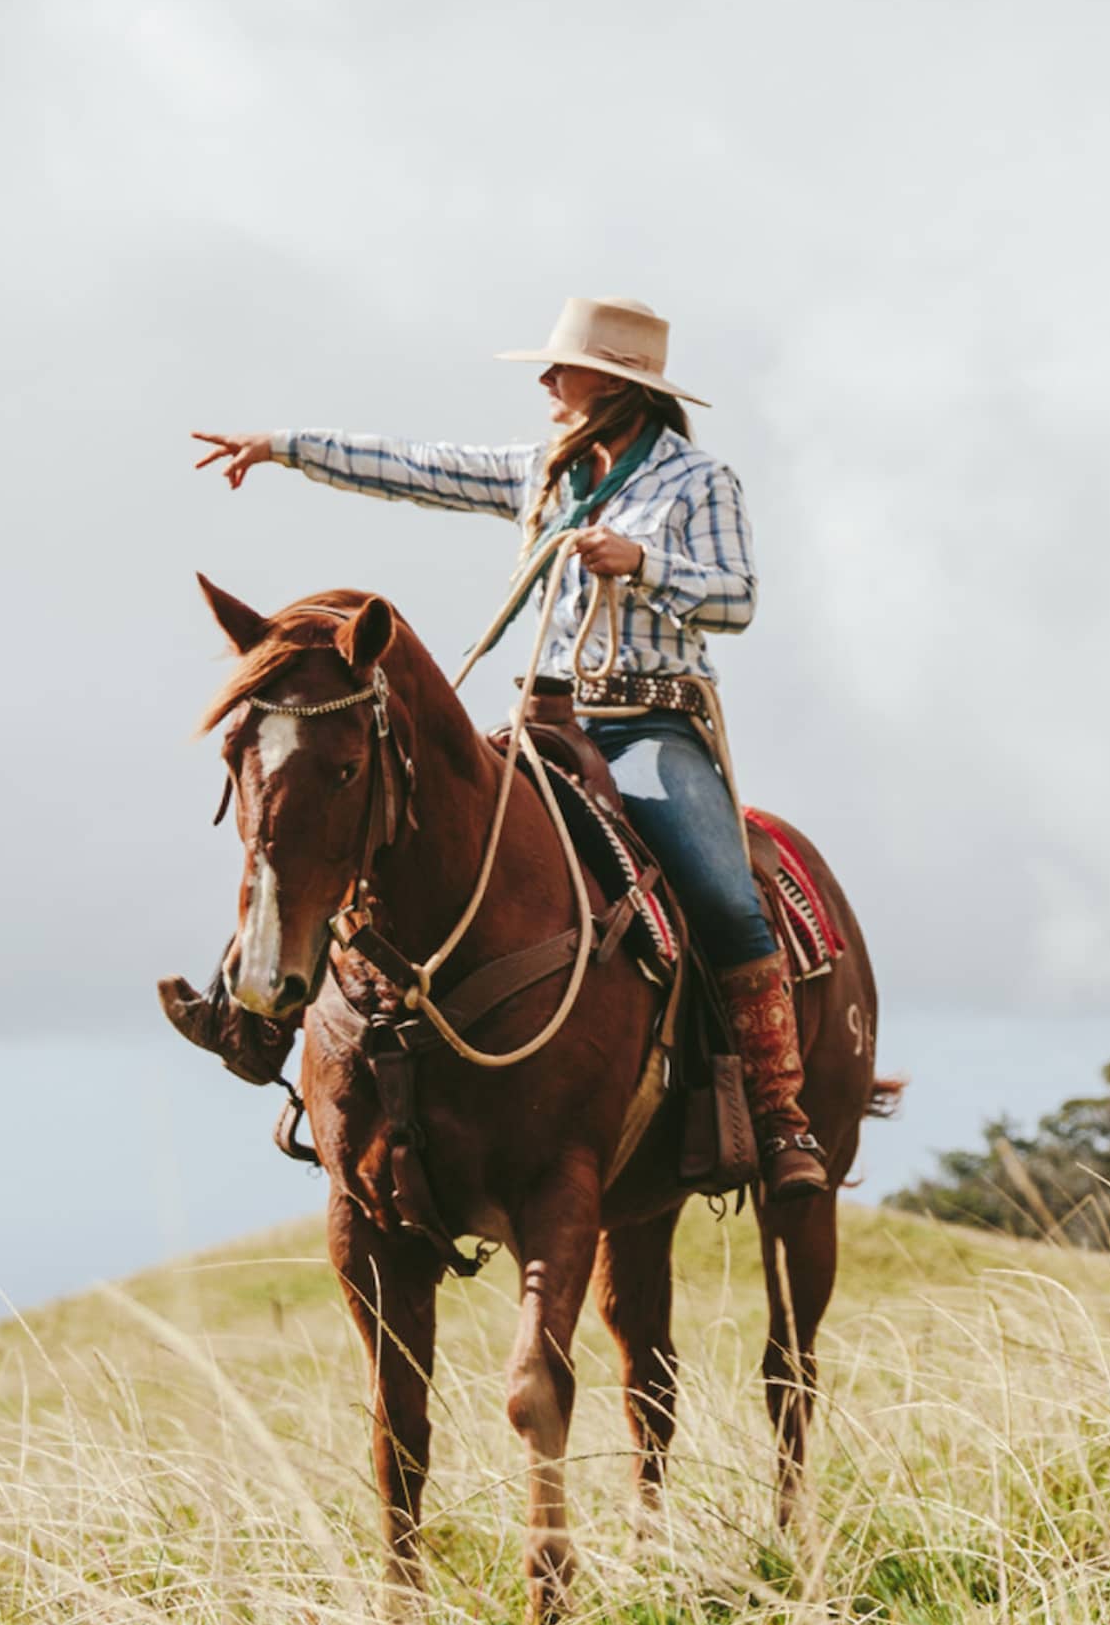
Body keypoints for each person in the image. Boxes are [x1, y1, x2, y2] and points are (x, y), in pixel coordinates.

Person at [163, 296, 826, 1200]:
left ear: (621, 387)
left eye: (565, 368)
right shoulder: (545, 472)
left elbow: (737, 599)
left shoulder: (699, 483)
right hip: (543, 720)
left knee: (723, 896)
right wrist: (282, 445)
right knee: (375, 817)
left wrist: (642, 563)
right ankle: (261, 1022)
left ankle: (782, 1116)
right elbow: (418, 468)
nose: (548, 382)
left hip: (649, 726)